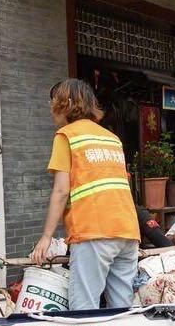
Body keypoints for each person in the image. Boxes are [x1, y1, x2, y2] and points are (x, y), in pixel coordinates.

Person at [30, 79, 140, 310]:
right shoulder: (112, 139)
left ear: (67, 103)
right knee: (122, 309)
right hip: (127, 231)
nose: (51, 109)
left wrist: (46, 237)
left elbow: (61, 190)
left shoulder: (67, 136)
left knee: (84, 310)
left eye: (53, 102)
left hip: (94, 232)